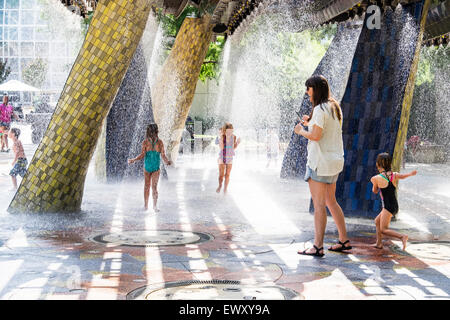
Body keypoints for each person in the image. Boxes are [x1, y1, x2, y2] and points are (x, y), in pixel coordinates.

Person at [294, 75, 351, 257]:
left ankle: (317, 246)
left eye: (308, 88)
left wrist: (301, 130)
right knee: (331, 202)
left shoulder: (319, 109)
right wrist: (309, 123)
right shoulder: (334, 106)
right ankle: (344, 240)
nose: (307, 92)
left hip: (319, 163)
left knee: (319, 205)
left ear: (315, 89)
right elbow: (325, 130)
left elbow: (317, 136)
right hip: (333, 162)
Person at [370, 152, 417, 250]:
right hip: (394, 206)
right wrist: (411, 174)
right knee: (377, 221)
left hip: (388, 207)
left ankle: (402, 236)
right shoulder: (393, 175)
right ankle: (379, 243)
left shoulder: (375, 178)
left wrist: (375, 184)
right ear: (389, 164)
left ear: (377, 164)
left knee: (383, 229)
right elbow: (403, 176)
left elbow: (374, 191)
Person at [128, 123, 172, 212]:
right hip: (147, 168)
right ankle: (146, 206)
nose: (151, 133)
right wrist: (134, 160)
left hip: (155, 168)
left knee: (154, 187)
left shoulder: (160, 142)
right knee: (147, 186)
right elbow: (142, 155)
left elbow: (163, 155)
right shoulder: (145, 142)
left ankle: (155, 206)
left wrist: (167, 162)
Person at [216, 122, 240, 194]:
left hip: (230, 157)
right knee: (221, 175)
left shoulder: (234, 137)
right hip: (222, 157)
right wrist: (221, 139)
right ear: (225, 130)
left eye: (231, 131)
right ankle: (220, 186)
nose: (230, 132)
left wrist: (237, 143)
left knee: (227, 175)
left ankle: (225, 189)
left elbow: (233, 148)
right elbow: (222, 148)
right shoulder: (222, 137)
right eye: (228, 131)